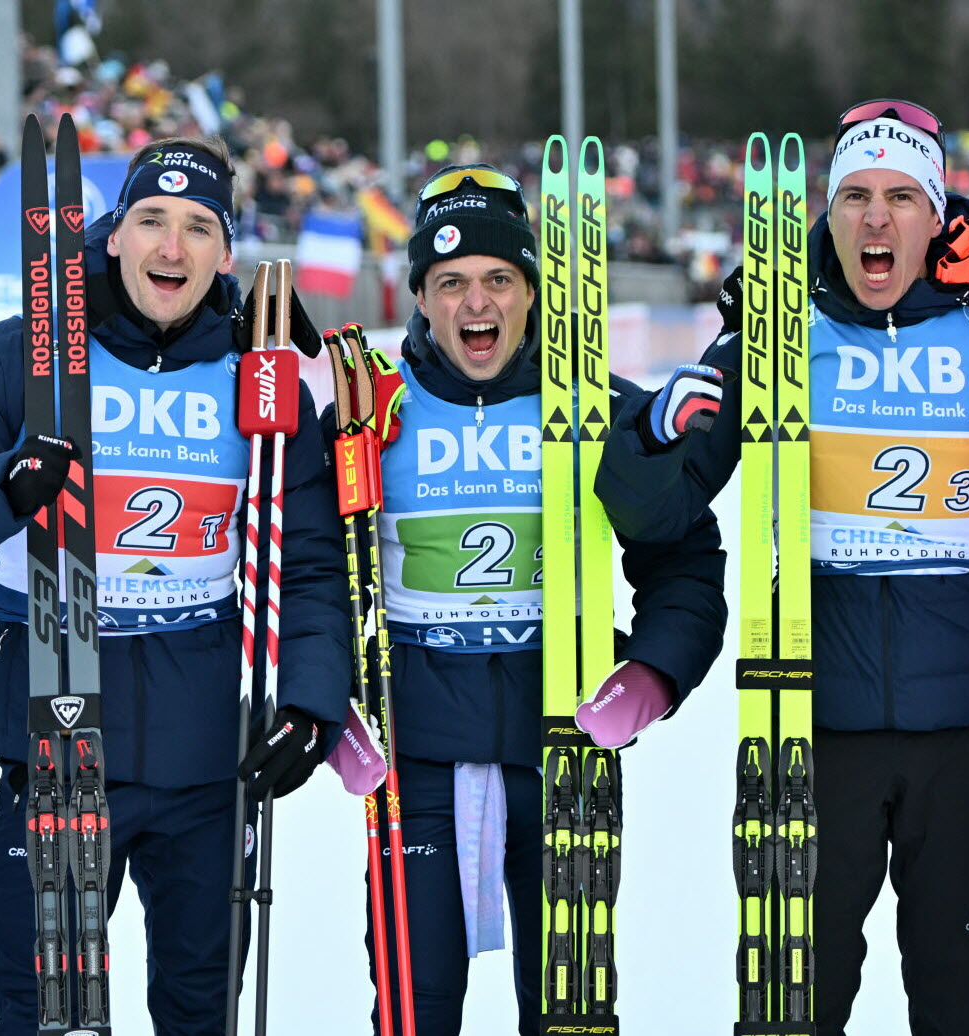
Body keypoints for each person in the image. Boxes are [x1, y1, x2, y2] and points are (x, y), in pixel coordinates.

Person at [596, 101, 969, 1035]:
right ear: (825, 212)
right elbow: (655, 509)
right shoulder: (773, 339)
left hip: (967, 731)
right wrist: (651, 434)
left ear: (938, 217)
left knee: (953, 992)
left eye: (902, 198)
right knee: (795, 1003)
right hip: (813, 734)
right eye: (854, 196)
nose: (875, 219)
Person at [0, 135, 349, 1034]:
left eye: (198, 227)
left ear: (225, 252)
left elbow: (309, 565)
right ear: (113, 235)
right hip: (56, 749)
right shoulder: (18, 359)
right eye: (151, 221)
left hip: (212, 763)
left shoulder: (261, 379)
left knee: (202, 1013)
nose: (172, 247)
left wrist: (311, 707)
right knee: (46, 1017)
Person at [345, 165, 726, 1035]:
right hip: (417, 764)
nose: (474, 304)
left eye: (496, 280)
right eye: (449, 283)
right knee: (415, 1007)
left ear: (528, 291)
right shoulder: (374, 416)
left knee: (568, 1013)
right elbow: (311, 570)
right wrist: (328, 702)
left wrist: (655, 674)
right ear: (422, 297)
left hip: (564, 753)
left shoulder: (598, 410)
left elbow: (686, 561)